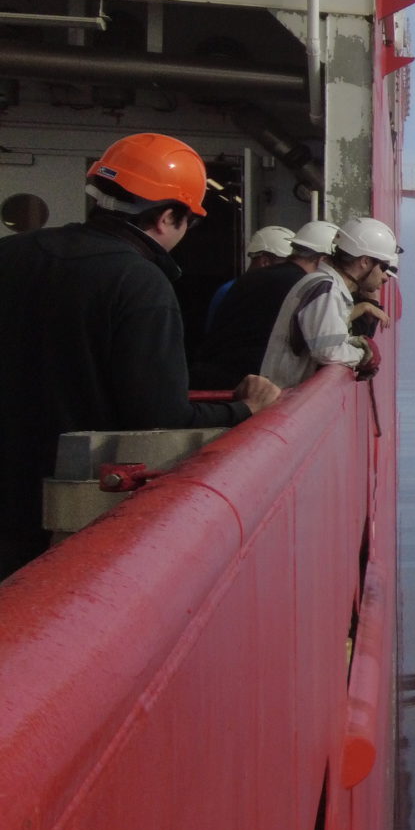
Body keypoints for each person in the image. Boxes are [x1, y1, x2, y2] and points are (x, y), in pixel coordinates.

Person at [0, 133, 278, 576]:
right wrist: (245, 410)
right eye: (191, 221)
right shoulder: (140, 283)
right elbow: (159, 416)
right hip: (64, 511)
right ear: (168, 216)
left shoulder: (12, 252)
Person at [261, 214, 399, 388]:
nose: (384, 276)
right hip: (283, 397)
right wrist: (364, 354)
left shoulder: (326, 285)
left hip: (282, 397)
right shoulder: (325, 289)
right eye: (384, 267)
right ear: (365, 261)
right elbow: (328, 351)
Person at [193, 226, 308, 391]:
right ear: (265, 261)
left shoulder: (240, 288)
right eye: (286, 264)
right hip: (229, 377)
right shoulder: (232, 290)